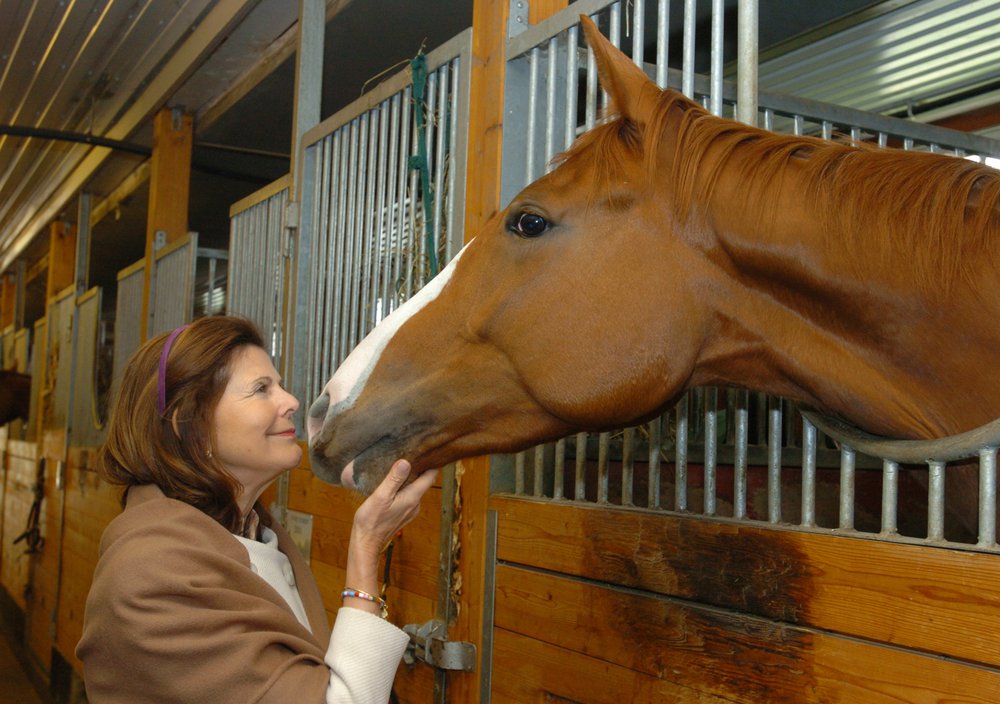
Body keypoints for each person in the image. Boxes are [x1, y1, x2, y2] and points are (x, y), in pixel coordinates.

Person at [76, 316, 437, 703]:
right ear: (188, 424)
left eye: (279, 384)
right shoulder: (152, 578)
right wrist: (365, 548)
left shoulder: (254, 535)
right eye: (261, 389)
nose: (292, 401)